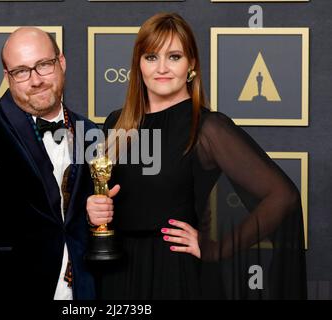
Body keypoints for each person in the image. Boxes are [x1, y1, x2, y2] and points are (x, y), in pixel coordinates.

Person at [86, 12, 307, 299]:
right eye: (151, 57)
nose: (162, 68)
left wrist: (216, 248)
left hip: (174, 273)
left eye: (174, 56)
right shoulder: (117, 122)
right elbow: (110, 198)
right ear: (138, 65)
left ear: (191, 65)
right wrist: (94, 213)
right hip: (117, 272)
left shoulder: (207, 127)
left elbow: (283, 196)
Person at [0, 27, 96, 300]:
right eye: (21, 71)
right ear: (8, 78)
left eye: (44, 65)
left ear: (61, 62)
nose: (35, 80)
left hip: (75, 292)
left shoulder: (89, 130)